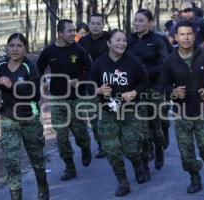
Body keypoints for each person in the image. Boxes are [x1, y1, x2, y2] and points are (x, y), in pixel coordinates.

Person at [161, 20, 204, 193]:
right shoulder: (169, 61)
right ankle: (194, 178)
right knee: (186, 151)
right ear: (175, 37)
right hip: (181, 113)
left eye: (189, 34)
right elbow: (163, 86)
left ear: (194, 36)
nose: (186, 37)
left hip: (203, 110)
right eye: (182, 34)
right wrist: (173, 93)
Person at [0, 33, 49, 200]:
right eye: (12, 45)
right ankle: (16, 196)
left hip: (29, 118)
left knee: (37, 160)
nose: (15, 49)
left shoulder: (30, 67)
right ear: (7, 48)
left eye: (19, 45)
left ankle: (43, 188)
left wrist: (12, 85)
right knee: (12, 161)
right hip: (8, 118)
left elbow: (35, 94)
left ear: (25, 48)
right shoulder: (0, 66)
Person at [89, 29, 148, 197]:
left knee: (130, 148)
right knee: (111, 149)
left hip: (129, 112)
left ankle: (137, 164)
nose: (122, 43)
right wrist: (98, 90)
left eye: (124, 40)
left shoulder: (133, 62)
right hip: (108, 113)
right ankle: (123, 182)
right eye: (117, 40)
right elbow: (89, 86)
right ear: (108, 43)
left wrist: (135, 93)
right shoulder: (99, 63)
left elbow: (144, 82)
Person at [37, 19, 92, 181]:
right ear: (60, 33)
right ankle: (69, 167)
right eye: (69, 31)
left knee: (80, 133)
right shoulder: (49, 52)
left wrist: (79, 80)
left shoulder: (79, 49)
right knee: (61, 135)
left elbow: (90, 70)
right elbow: (37, 70)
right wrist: (43, 82)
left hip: (77, 99)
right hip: (57, 99)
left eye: (74, 30)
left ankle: (85, 147)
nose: (73, 33)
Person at [127, 8, 170, 179]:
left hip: (154, 87)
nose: (137, 23)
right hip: (137, 90)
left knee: (155, 123)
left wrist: (147, 71)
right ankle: (146, 161)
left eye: (141, 20)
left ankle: (159, 148)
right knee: (141, 127)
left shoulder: (157, 40)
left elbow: (166, 63)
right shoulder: (129, 41)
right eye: (136, 20)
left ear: (150, 23)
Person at [78, 13, 109, 158]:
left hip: (111, 83)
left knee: (113, 115)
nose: (95, 26)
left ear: (103, 25)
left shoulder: (110, 38)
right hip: (91, 86)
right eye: (93, 23)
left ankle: (116, 141)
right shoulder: (82, 42)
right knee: (95, 119)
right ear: (89, 25)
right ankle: (102, 145)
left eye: (98, 23)